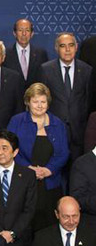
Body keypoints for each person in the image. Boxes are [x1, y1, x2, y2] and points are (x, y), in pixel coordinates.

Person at [8, 82, 69, 231]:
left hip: (50, 183)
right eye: (35, 101)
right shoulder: (17, 121)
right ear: (28, 102)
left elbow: (64, 152)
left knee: (48, 227)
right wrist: (28, 169)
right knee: (24, 226)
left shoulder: (58, 124)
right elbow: (9, 149)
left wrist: (49, 170)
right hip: (23, 180)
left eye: (43, 102)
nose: (40, 106)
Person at [39, 32, 93, 160]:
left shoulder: (86, 70)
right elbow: (41, 101)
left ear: (76, 47)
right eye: (63, 46)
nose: (67, 50)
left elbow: (88, 101)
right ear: (56, 48)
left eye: (71, 45)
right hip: (53, 132)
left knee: (77, 170)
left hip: (78, 133)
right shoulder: (46, 69)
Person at [3, 19, 49, 90]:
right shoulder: (5, 54)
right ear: (14, 33)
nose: (24, 34)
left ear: (32, 34)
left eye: (27, 30)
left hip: (35, 96)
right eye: (20, 30)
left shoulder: (41, 54)